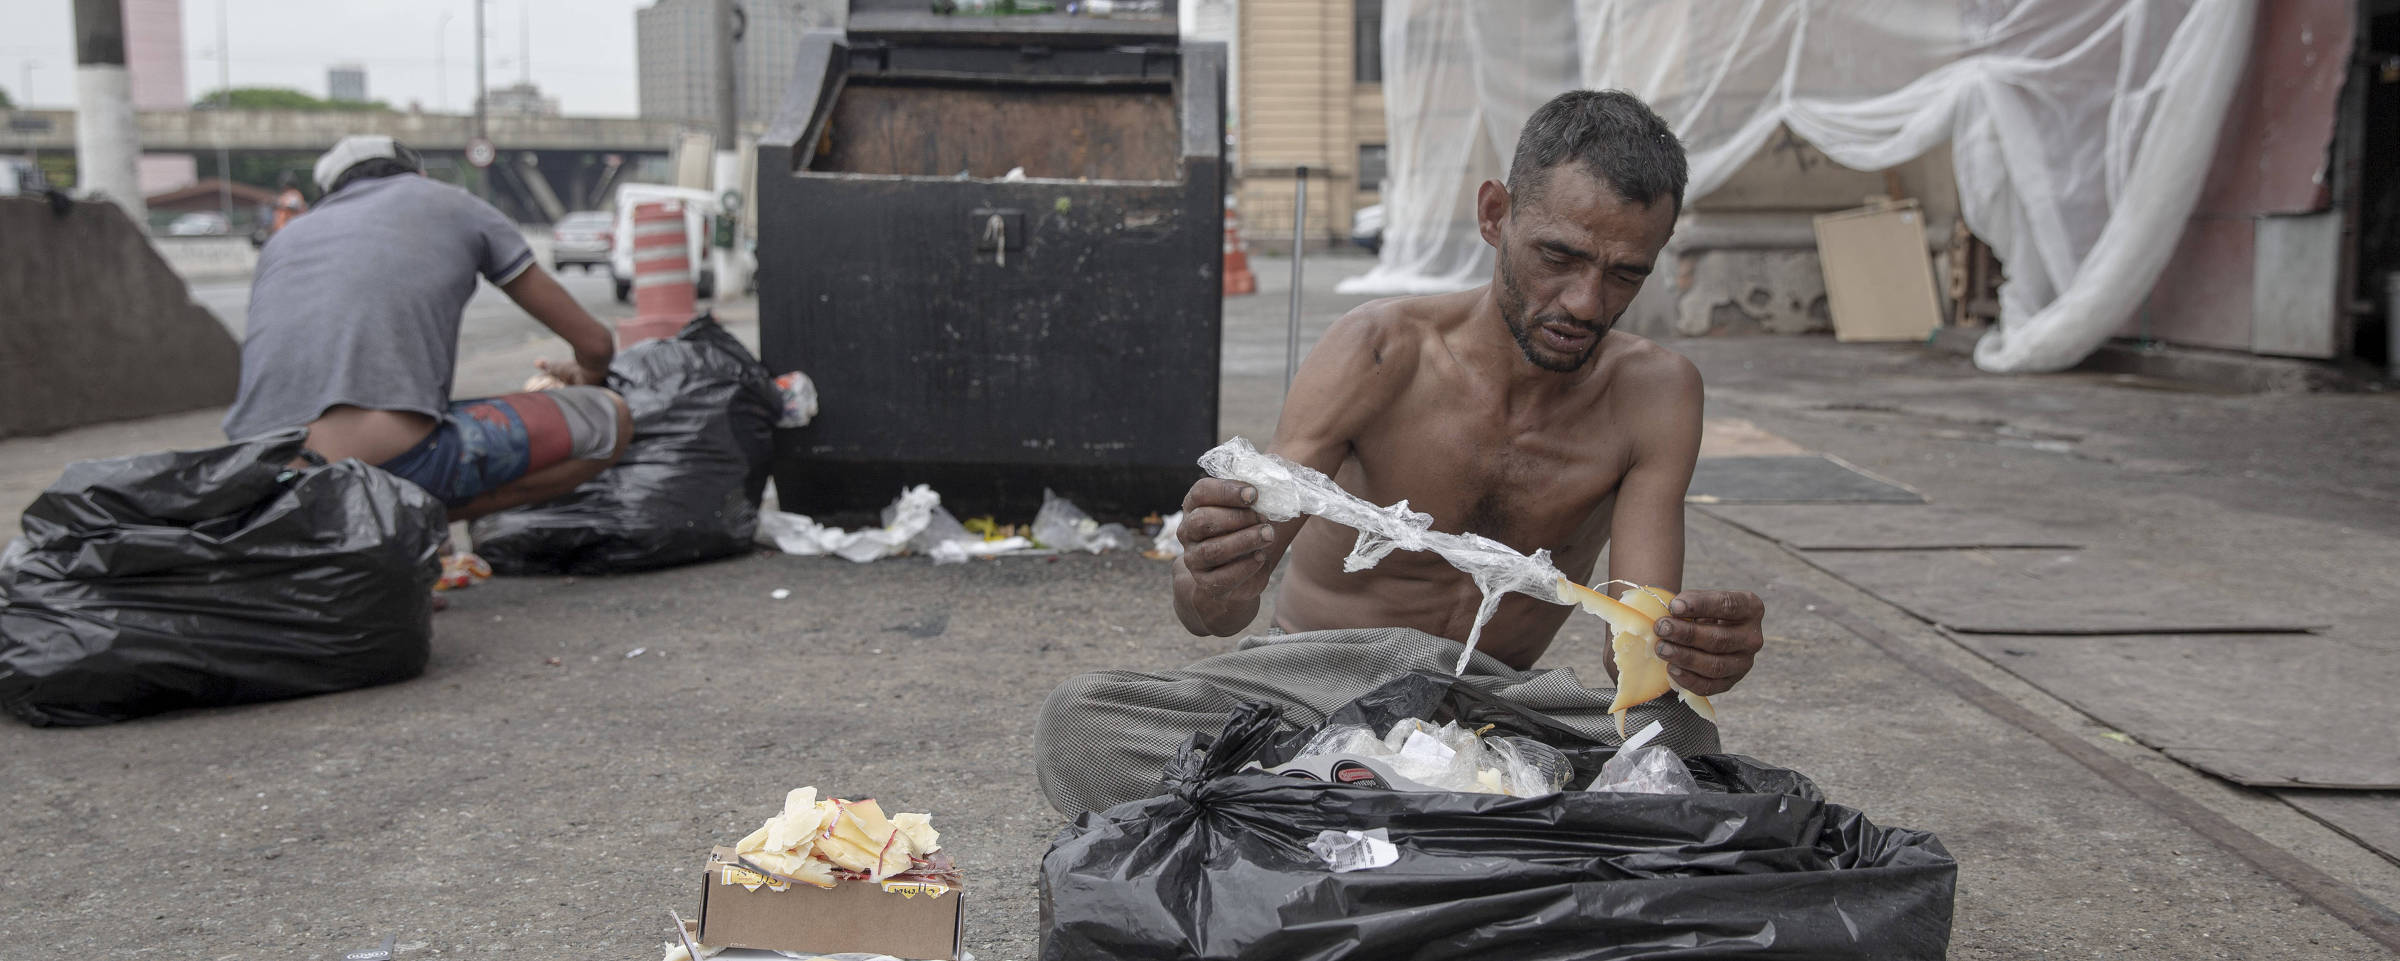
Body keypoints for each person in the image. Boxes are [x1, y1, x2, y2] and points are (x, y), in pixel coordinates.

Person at [1035, 90, 1768, 815]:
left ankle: (1334, 812)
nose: (1585, 302)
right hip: (1313, 687)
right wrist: (1213, 572)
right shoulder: (1380, 349)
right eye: (1559, 256)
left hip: (1493, 700)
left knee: (1680, 741)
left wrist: (1692, 653)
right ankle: (1466, 821)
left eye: (1625, 274)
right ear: (1494, 214)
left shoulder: (1657, 393)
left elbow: (1632, 655)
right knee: (1081, 726)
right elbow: (1212, 618)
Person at [222, 135, 631, 522]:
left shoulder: (286, 238)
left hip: (257, 480)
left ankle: (368, 533)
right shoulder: (454, 204)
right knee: (607, 420)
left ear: (328, 194)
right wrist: (587, 377)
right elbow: (594, 343)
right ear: (417, 175)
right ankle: (405, 528)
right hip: (390, 464)